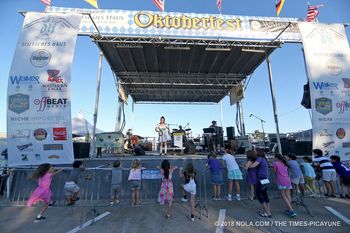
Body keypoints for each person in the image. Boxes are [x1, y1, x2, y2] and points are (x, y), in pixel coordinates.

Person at [247, 149, 272, 218]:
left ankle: (267, 212)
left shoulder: (259, 158)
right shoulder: (264, 159)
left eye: (255, 151)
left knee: (259, 194)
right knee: (264, 194)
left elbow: (252, 166)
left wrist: (248, 163)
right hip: (265, 178)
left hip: (261, 178)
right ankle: (268, 210)